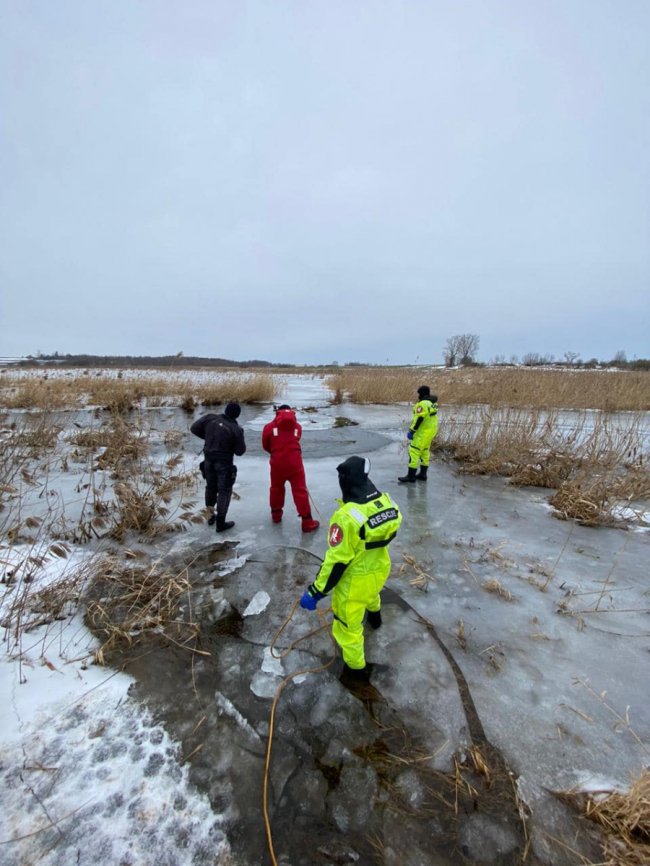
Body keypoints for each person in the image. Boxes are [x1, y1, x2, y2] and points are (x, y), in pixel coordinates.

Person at [300, 456, 402, 683]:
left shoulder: (345, 518)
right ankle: (375, 619)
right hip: (380, 569)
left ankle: (356, 671)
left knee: (348, 627)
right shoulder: (386, 501)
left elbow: (336, 562)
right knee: (372, 594)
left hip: (354, 583)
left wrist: (315, 592)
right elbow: (394, 523)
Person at [261, 404, 319, 532]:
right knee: (300, 491)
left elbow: (265, 445)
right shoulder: (298, 427)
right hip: (295, 464)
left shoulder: (268, 427)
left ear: (277, 413)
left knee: (276, 489)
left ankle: (276, 516)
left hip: (277, 464)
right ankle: (307, 522)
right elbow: (296, 439)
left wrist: (276, 453)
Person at [190, 402, 246, 532]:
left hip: (208, 461)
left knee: (210, 488)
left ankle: (210, 517)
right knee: (224, 491)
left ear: (226, 410)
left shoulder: (210, 418)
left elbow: (194, 428)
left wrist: (209, 438)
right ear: (237, 415)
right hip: (224, 464)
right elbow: (240, 451)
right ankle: (220, 523)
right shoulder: (236, 429)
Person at [398, 385, 438, 483]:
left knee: (414, 451)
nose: (418, 395)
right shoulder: (432, 403)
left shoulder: (422, 404)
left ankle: (411, 476)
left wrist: (412, 431)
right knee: (425, 451)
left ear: (421, 394)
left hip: (422, 432)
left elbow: (419, 419)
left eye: (419, 393)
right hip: (430, 431)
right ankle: (423, 475)